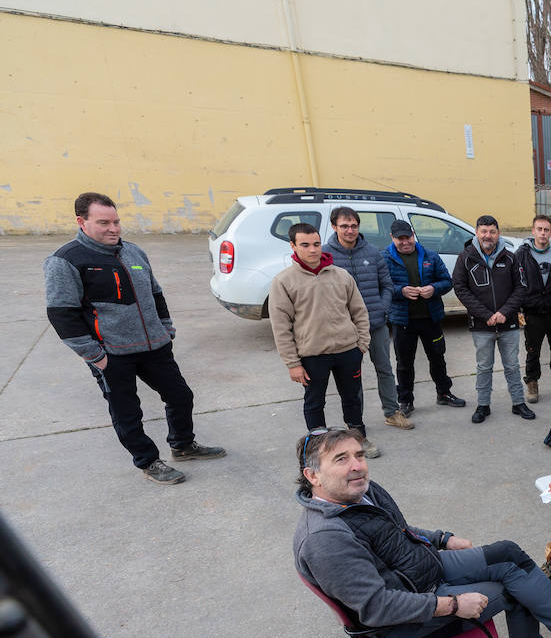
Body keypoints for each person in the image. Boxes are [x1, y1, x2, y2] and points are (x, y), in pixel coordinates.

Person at [292, 428, 551, 638]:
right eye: (341, 459)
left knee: (507, 554)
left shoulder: (359, 493)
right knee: (512, 589)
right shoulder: (325, 539)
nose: (357, 466)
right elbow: (378, 607)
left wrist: (443, 539)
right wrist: (452, 605)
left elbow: (399, 532)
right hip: (406, 620)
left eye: (359, 455)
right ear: (313, 476)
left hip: (421, 569)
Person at [44, 191, 225, 485]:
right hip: (111, 354)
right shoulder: (66, 261)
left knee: (181, 396)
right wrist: (94, 355)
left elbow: (155, 293)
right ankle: (148, 461)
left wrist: (165, 328)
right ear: (82, 222)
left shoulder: (133, 252)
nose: (114, 228)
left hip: (155, 346)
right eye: (104, 222)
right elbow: (61, 313)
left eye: (116, 221)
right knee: (127, 412)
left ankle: (182, 444)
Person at [269, 222, 377, 458]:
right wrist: (292, 363)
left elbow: (359, 311)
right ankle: (319, 447)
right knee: (315, 402)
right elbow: (281, 326)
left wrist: (361, 345)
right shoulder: (284, 282)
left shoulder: (341, 275)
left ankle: (358, 438)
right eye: (305, 245)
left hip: (348, 351)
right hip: (312, 355)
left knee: (352, 397)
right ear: (293, 246)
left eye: (316, 244)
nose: (313, 250)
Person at [327, 207, 408, 430]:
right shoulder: (327, 256)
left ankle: (392, 412)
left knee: (385, 369)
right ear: (334, 227)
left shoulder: (372, 253)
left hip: (376, 324)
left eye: (354, 225)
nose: (350, 230)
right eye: (344, 226)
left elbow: (387, 285)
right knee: (353, 377)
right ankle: (356, 421)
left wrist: (382, 309)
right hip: (347, 329)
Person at [453, 215, 536, 423]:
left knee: (512, 366)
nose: (487, 235)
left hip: (508, 324)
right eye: (483, 231)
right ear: (477, 233)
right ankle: (483, 405)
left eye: (492, 231)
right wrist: (486, 315)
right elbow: (461, 289)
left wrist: (504, 312)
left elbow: (521, 288)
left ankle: (518, 403)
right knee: (483, 367)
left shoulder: (510, 258)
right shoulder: (465, 258)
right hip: (482, 326)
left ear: (498, 234)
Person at [383, 220, 466, 417]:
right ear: (392, 238)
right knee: (404, 363)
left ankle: (444, 393)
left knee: (438, 358)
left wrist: (433, 289)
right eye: (400, 239)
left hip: (431, 318)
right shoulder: (384, 258)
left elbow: (447, 281)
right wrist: (401, 291)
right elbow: (383, 286)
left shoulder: (430, 255)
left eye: (408, 237)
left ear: (413, 234)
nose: (405, 242)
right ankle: (405, 400)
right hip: (403, 321)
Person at [514, 215, 551, 404]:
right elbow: (516, 284)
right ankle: (532, 383)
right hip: (532, 312)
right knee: (532, 350)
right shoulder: (521, 254)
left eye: (546, 230)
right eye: (539, 229)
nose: (543, 233)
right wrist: (519, 310)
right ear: (533, 231)